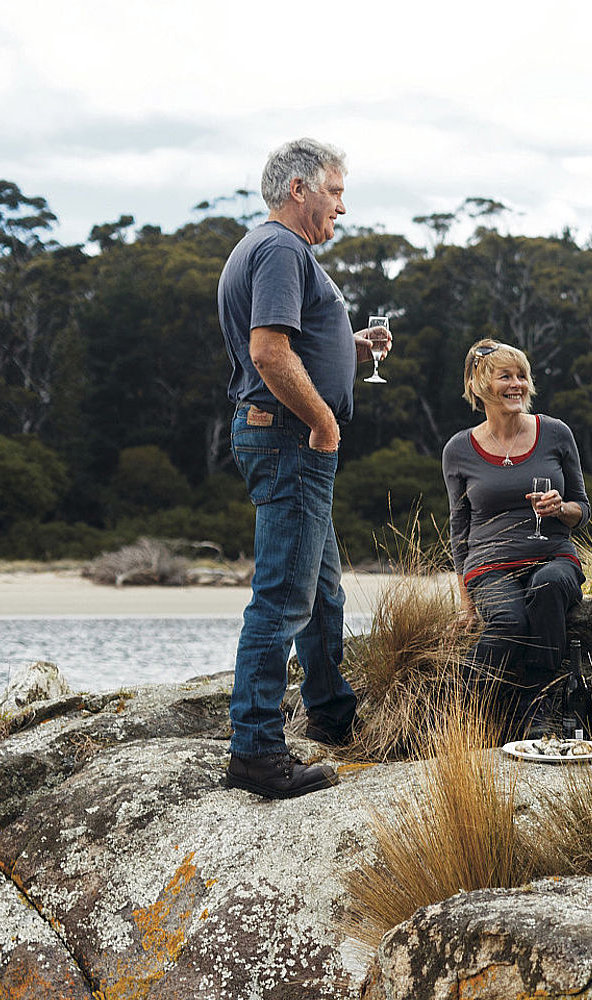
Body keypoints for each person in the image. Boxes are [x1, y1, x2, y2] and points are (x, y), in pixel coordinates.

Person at [217, 138, 390, 798]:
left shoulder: (266, 249)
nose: (342, 207)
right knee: (284, 599)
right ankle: (257, 751)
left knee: (321, 592)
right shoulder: (283, 249)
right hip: (291, 439)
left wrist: (349, 344)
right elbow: (268, 352)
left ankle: (332, 714)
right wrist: (323, 421)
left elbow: (294, 340)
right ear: (299, 190)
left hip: (284, 439)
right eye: (335, 192)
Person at [442, 339, 588, 741]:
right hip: (489, 565)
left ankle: (537, 706)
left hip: (553, 555)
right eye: (505, 376)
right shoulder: (458, 449)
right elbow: (459, 531)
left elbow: (583, 509)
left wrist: (560, 509)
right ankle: (457, 706)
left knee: (549, 586)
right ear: (479, 386)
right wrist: (466, 603)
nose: (517, 384)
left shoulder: (555, 433)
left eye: (522, 375)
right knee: (509, 620)